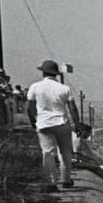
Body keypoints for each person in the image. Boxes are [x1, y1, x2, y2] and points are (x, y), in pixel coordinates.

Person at [25, 60, 82, 190]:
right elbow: (73, 108)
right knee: (65, 152)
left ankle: (50, 183)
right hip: (62, 123)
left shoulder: (35, 87)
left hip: (44, 123)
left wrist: (33, 121)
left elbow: (29, 107)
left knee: (48, 153)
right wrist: (77, 124)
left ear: (43, 73)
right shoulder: (64, 88)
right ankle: (66, 180)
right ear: (56, 74)